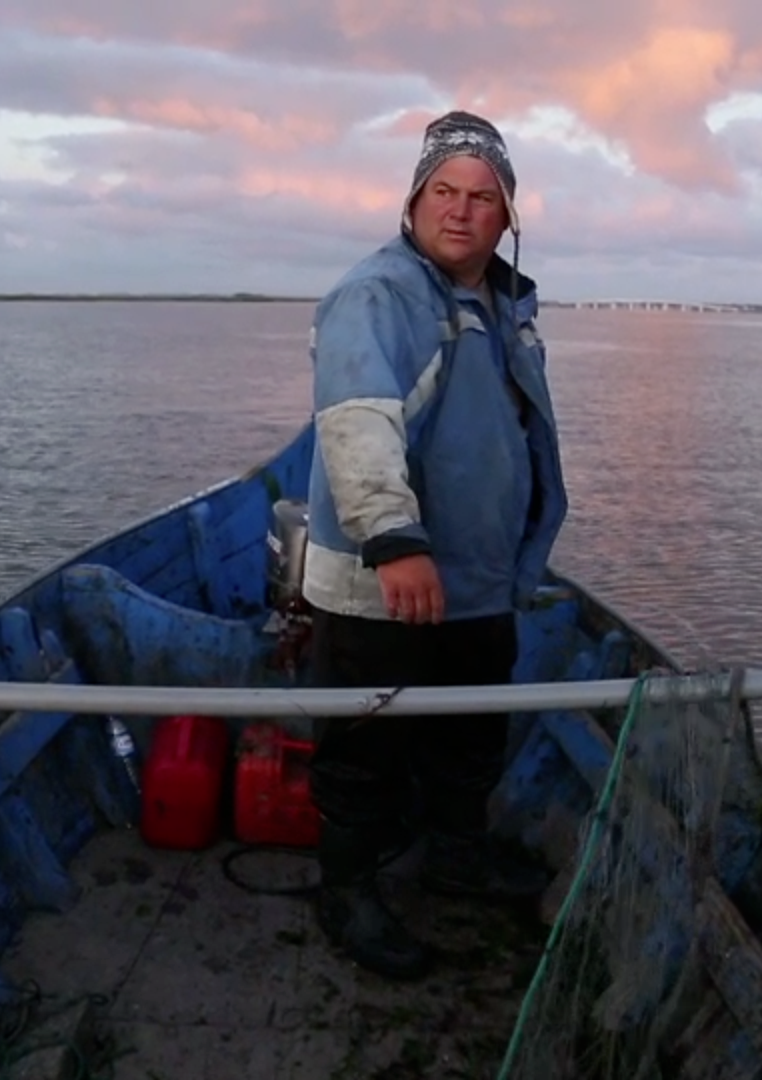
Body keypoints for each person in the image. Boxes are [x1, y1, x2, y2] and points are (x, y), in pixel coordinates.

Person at [299, 109, 569, 980]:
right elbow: (358, 424)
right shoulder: (378, 294)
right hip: (385, 580)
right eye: (443, 191)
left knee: (469, 737)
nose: (460, 210)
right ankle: (347, 890)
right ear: (414, 203)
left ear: (508, 215)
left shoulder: (501, 303)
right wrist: (394, 540)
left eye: (482, 197)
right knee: (363, 746)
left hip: (481, 580)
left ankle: (457, 856)